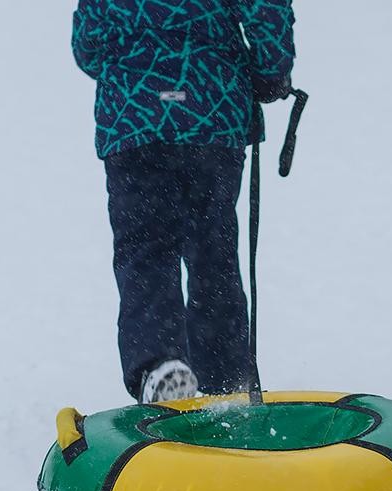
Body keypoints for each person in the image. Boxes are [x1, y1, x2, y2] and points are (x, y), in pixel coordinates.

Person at [72, 0, 296, 403]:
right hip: (210, 110)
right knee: (213, 250)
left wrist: (135, 61)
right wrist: (270, 75)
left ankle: (159, 366)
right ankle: (226, 382)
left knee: (144, 248)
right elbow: (266, 9)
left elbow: (88, 44)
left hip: (133, 113)